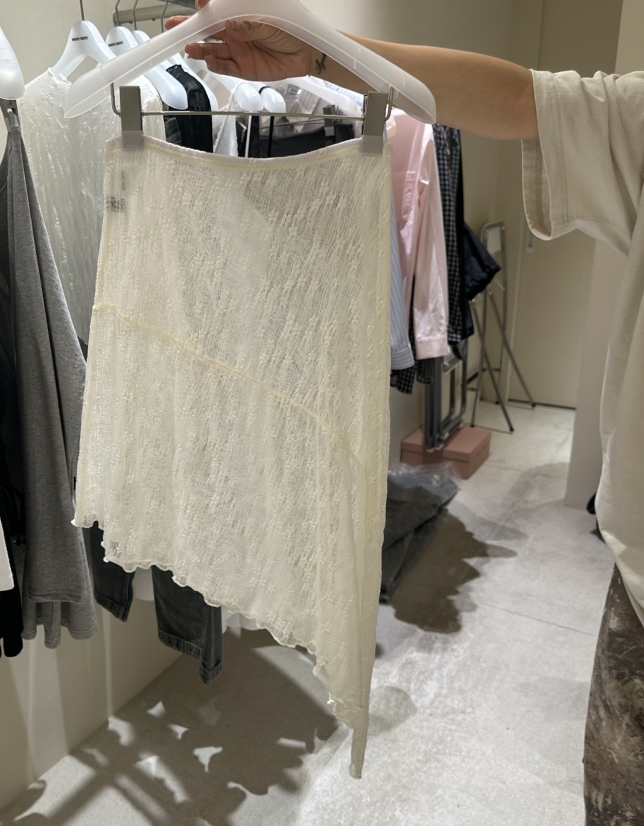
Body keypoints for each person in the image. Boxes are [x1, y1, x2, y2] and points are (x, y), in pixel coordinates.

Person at [167, 6, 644, 824]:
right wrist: (319, 52)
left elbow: (425, 225)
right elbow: (528, 100)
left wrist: (416, 337)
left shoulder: (406, 141)